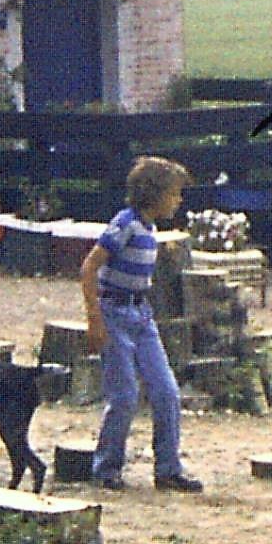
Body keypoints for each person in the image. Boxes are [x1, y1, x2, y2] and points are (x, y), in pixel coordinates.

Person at [79, 155, 202, 493]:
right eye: (174, 194)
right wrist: (95, 318)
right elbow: (89, 267)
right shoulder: (125, 224)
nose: (178, 200)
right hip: (115, 313)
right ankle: (106, 468)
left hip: (141, 315)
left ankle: (167, 468)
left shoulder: (151, 228)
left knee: (166, 391)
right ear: (155, 194)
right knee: (124, 395)